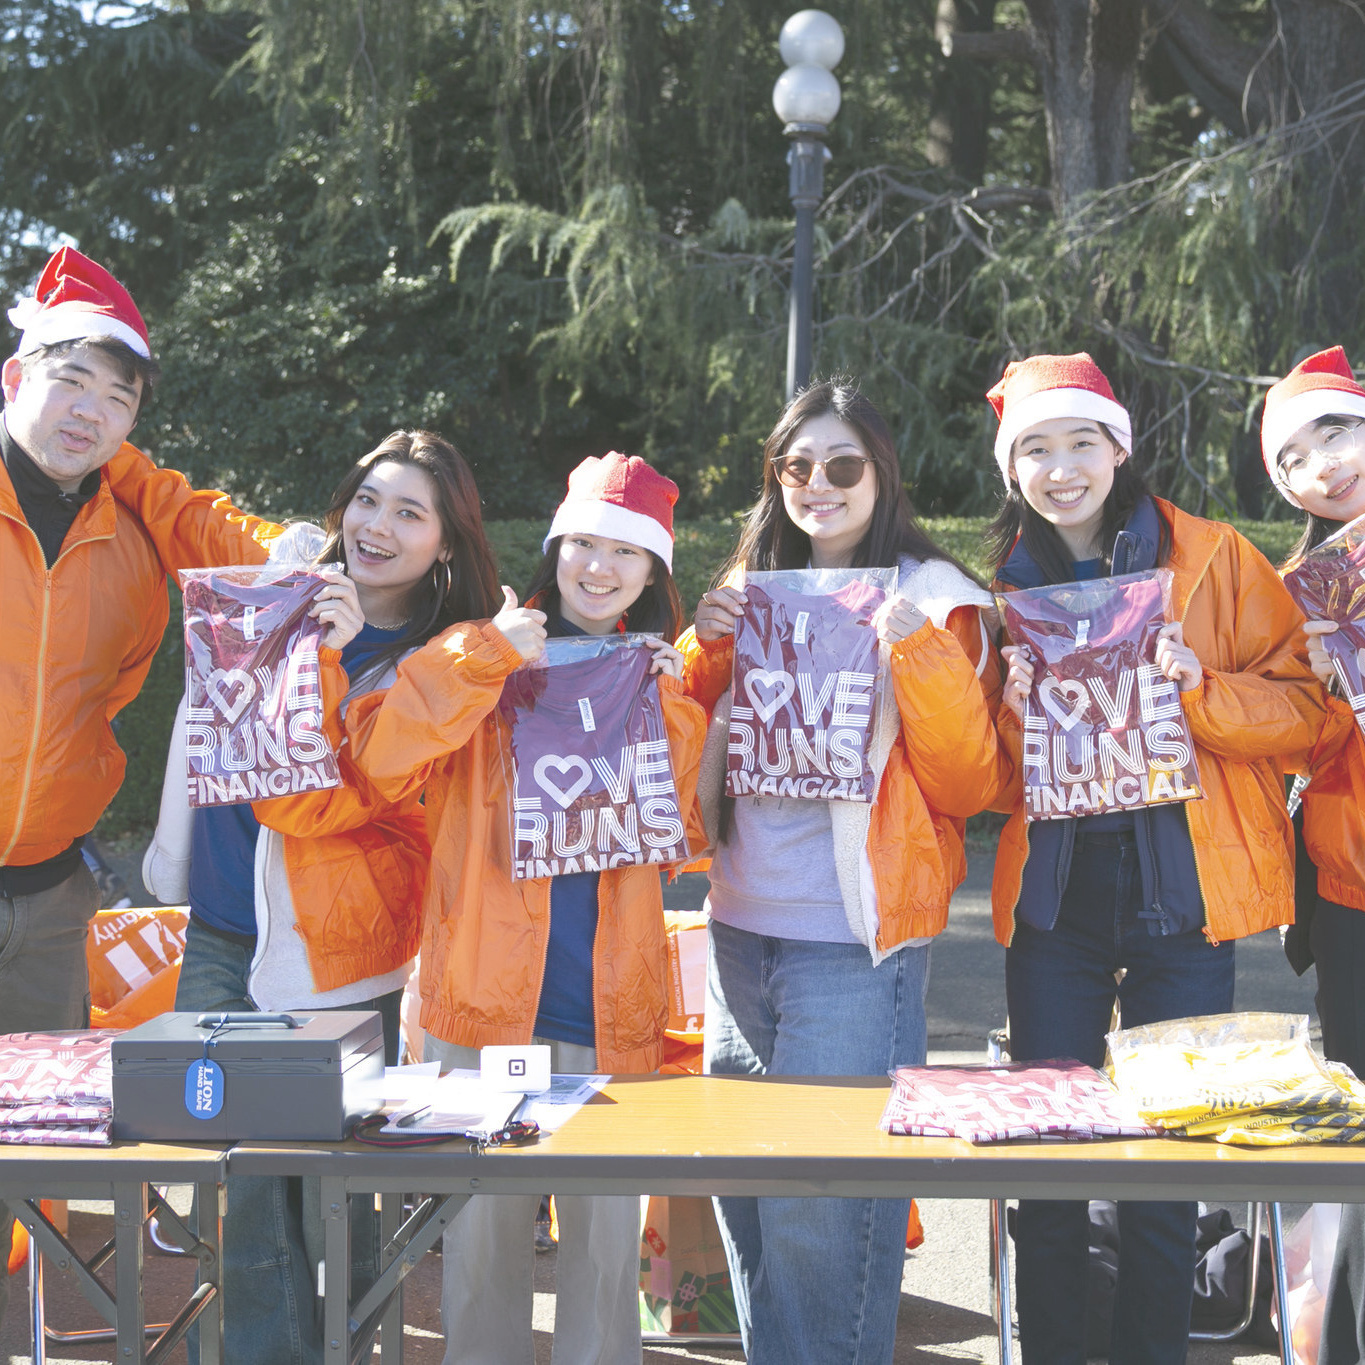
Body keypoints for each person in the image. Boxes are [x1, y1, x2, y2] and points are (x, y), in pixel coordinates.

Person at [985, 351, 1321, 1365]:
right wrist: (1008, 713)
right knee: (1046, 1161)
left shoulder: (1216, 558)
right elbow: (979, 774)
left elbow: (1308, 713)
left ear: (1118, 448)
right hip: (1054, 905)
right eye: (1034, 450)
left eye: (1079, 442)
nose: (1060, 469)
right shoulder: (996, 588)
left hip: (1184, 896)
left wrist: (1199, 688)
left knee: (1168, 1164)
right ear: (1011, 469)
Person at [139, 429, 498, 1364]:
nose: (377, 525)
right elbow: (174, 506)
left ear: (446, 543)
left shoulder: (443, 658)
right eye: (368, 499)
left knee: (334, 1203)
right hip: (223, 930)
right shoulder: (277, 582)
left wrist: (329, 654)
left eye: (410, 513)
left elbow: (333, 794)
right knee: (240, 1193)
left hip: (336, 952)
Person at [344, 451, 708, 1365]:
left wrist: (672, 709)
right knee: (480, 1241)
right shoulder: (485, 649)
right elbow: (383, 760)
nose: (599, 566)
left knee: (604, 1247)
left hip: (607, 999)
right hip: (484, 999)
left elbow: (685, 841)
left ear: (653, 572)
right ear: (554, 548)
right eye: (583, 542)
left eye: (625, 552)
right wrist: (488, 654)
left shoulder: (655, 676)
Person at [677, 378, 1004, 1365]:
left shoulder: (936, 599)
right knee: (748, 1207)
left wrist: (922, 656)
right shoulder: (754, 582)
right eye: (797, 465)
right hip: (737, 931)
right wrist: (702, 647)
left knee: (823, 1221)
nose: (818, 483)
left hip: (851, 945)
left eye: (843, 464)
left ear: (882, 473)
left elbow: (972, 781)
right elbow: (688, 741)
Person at [0, 246, 276, 1329]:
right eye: (72, 380)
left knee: (33, 1155)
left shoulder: (133, 516)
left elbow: (225, 544)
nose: (92, 411)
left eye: (120, 397)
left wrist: (303, 557)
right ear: (16, 374)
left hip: (51, 893)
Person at [1258, 346, 1365, 1364]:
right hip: (1351, 891)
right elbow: (1287, 747)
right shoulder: (1301, 599)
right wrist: (1324, 693)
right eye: (1291, 460)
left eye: (1334, 431)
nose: (1318, 466)